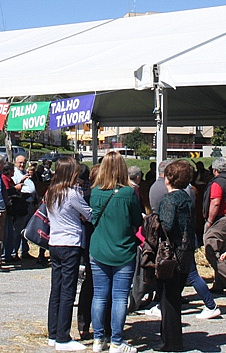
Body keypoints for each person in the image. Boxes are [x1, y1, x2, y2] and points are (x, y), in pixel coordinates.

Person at [90, 151, 143, 353]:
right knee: (120, 297)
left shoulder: (95, 192)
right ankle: (117, 341)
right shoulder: (128, 193)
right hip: (122, 248)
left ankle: (98, 338)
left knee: (100, 295)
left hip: (99, 248)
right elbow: (136, 221)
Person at [45, 156, 92, 351]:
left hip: (55, 242)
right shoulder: (71, 193)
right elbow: (89, 213)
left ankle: (53, 333)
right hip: (70, 243)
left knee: (56, 289)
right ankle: (63, 337)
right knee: (68, 291)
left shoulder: (51, 192)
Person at [155, 159, 198, 352]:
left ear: (169, 178)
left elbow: (166, 226)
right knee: (174, 295)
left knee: (168, 298)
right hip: (186, 249)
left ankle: (170, 341)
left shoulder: (169, 199)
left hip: (171, 252)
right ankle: (174, 338)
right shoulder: (187, 197)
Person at [202, 157, 226, 293]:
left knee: (211, 249)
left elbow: (215, 202)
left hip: (220, 219)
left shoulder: (217, 183)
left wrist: (209, 221)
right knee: (221, 252)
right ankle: (219, 284)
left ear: (214, 170)